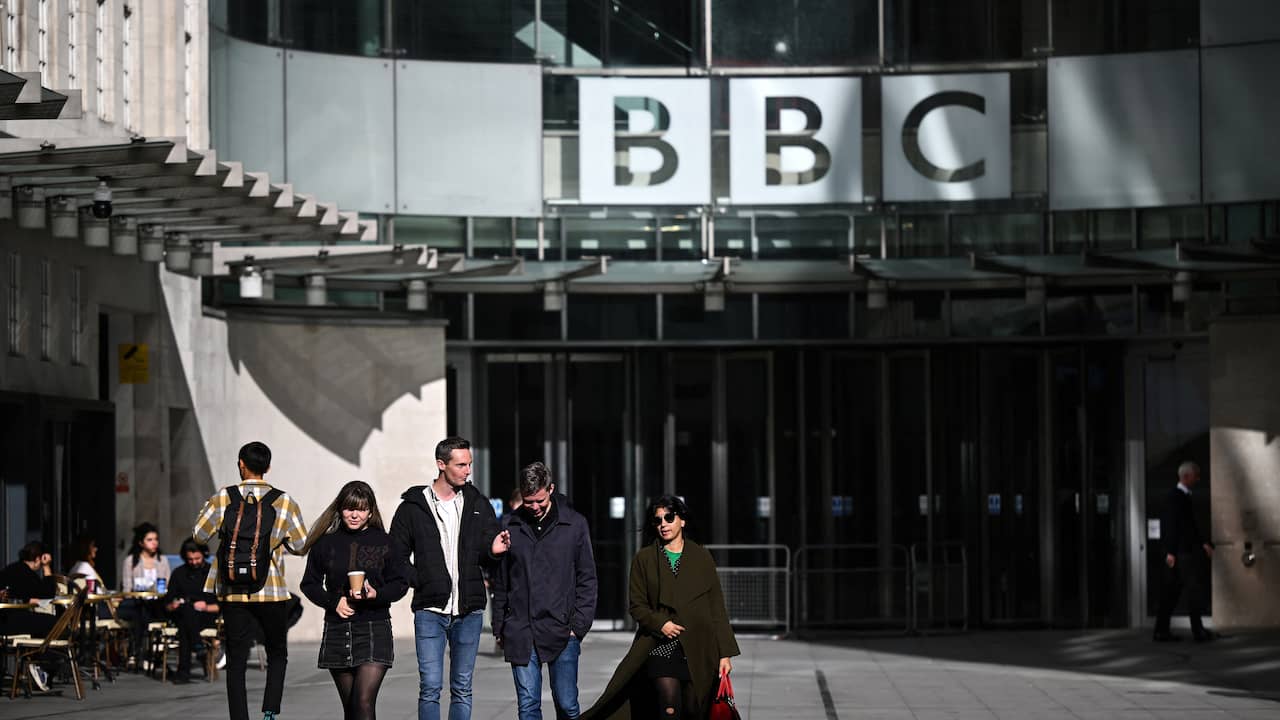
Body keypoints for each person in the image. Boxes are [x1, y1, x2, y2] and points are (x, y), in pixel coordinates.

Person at [582, 496, 739, 720]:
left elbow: (716, 606)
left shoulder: (702, 556)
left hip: (699, 646)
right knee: (669, 707)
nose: (663, 524)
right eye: (657, 520)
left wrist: (725, 654)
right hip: (660, 644)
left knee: (693, 709)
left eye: (669, 517)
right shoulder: (644, 559)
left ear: (682, 520)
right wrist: (661, 623)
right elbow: (637, 605)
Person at [390, 436, 511, 720]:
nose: (468, 470)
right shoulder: (412, 507)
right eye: (461, 465)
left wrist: (493, 550)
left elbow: (486, 550)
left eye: (469, 464)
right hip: (430, 609)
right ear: (441, 465)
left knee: (462, 688)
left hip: (469, 611)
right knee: (430, 687)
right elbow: (395, 555)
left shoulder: (477, 502)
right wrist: (419, 579)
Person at [193, 441, 308, 720]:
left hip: (232, 590)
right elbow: (301, 545)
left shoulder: (224, 497)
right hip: (271, 591)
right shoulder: (283, 501)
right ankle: (269, 713)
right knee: (277, 652)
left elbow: (199, 535)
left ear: (241, 464)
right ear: (268, 468)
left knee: (236, 659)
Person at [492, 462, 597, 720]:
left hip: (562, 629)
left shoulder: (574, 524)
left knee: (567, 704)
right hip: (521, 629)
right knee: (528, 706)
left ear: (551, 489)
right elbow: (502, 580)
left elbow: (587, 578)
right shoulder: (510, 525)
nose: (535, 507)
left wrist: (578, 626)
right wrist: (500, 626)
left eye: (540, 500)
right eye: (528, 502)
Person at [300, 480, 411, 720]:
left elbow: (400, 583)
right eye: (349, 508)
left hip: (374, 628)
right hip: (338, 629)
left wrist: (376, 594)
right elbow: (309, 584)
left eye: (361, 509)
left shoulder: (385, 542)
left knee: (363, 702)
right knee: (351, 709)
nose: (354, 515)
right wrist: (333, 602)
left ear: (370, 512)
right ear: (340, 509)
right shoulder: (325, 543)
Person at [1154, 460, 1215, 643]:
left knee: (1172, 592)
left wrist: (1203, 543)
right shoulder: (1176, 497)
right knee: (1191, 591)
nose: (1198, 479)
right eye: (1196, 475)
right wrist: (1170, 552)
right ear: (1187, 476)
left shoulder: (1182, 496)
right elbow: (1172, 526)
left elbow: (1189, 526)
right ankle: (1197, 631)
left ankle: (1162, 631)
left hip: (1183, 552)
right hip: (1182, 553)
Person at [0, 541, 59, 691]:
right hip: (12, 620)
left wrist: (29, 599)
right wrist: (47, 567)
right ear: (39, 558)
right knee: (54, 623)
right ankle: (42, 667)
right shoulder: (27, 574)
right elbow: (48, 593)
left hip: (6, 619)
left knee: (43, 624)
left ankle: (37, 663)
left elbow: (21, 594)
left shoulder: (11, 569)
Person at [164, 538, 220, 683]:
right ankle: (198, 645)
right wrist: (174, 605)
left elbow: (221, 605)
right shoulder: (178, 573)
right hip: (182, 613)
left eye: (197, 558)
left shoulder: (212, 573)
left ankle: (183, 672)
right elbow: (168, 603)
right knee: (187, 611)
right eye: (190, 559)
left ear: (204, 555)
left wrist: (205, 606)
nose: (194, 562)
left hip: (205, 615)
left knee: (186, 626)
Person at [117, 522, 173, 665]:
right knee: (140, 610)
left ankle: (140, 651)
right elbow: (127, 588)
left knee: (151, 609)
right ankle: (142, 651)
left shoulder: (162, 560)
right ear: (141, 543)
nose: (154, 543)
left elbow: (167, 584)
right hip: (136, 602)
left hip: (157, 602)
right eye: (150, 540)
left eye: (156, 539)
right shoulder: (131, 561)